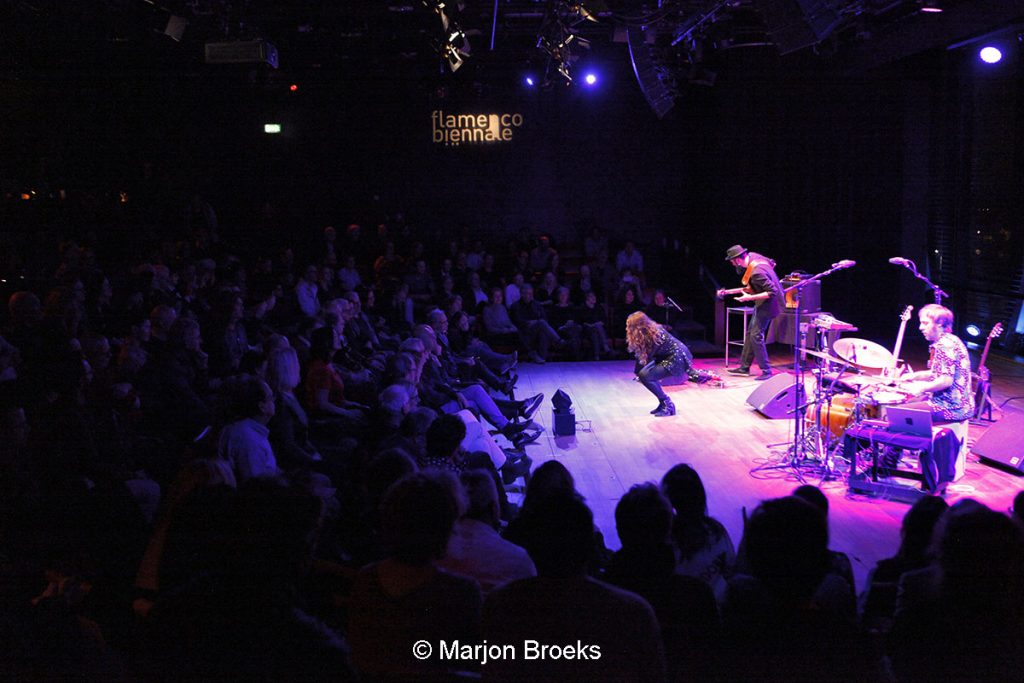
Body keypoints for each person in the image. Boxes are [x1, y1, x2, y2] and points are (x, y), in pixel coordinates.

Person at [898, 304, 974, 492]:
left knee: (901, 416)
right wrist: (914, 376)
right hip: (956, 404)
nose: (920, 327)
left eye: (925, 323)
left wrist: (919, 388)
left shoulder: (943, 345)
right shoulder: (951, 340)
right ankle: (925, 467)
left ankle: (885, 465)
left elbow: (945, 380)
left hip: (950, 407)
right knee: (908, 411)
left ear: (939, 324)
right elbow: (937, 372)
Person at [719, 244, 783, 380]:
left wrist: (750, 297)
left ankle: (766, 370)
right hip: (763, 302)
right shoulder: (755, 257)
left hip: (770, 304)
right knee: (750, 333)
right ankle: (744, 367)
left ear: (737, 260)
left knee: (755, 336)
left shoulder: (756, 272)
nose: (732, 264)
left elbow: (772, 292)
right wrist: (733, 291)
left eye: (732, 261)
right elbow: (773, 263)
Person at [626, 311, 693, 417]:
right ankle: (663, 403)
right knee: (644, 375)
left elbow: (649, 356)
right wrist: (638, 372)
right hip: (668, 356)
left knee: (646, 376)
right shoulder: (647, 332)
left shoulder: (656, 333)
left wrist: (640, 373)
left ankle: (667, 404)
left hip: (677, 357)